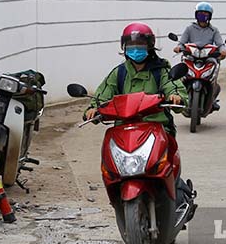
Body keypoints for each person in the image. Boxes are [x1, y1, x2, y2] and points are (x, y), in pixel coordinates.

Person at [83, 22, 195, 208]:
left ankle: (178, 195)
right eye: (131, 47)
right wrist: (92, 109)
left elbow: (173, 87)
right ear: (124, 48)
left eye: (140, 47)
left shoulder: (161, 71)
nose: (136, 51)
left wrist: (176, 97)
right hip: (125, 130)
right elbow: (103, 94)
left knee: (167, 165)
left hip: (157, 128)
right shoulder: (118, 73)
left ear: (150, 47)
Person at [174, 2, 226, 109]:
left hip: (208, 58)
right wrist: (178, 47)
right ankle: (180, 95)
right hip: (191, 57)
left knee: (214, 72)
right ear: (196, 15)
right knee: (181, 75)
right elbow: (181, 42)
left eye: (205, 14)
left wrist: (223, 51)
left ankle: (212, 98)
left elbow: (220, 44)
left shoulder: (214, 30)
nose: (203, 16)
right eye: (200, 14)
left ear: (210, 16)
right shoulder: (189, 29)